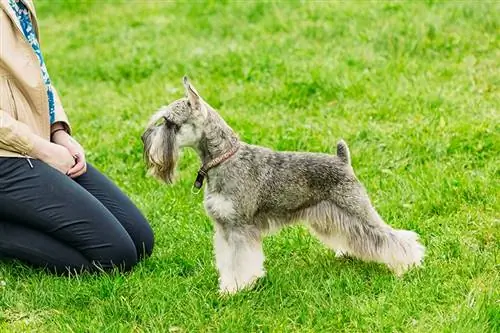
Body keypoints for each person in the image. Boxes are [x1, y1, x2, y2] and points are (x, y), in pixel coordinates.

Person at [0, 0, 154, 273]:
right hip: (7, 155)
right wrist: (41, 149)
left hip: (32, 139)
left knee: (140, 239)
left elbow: (36, 69)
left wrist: (57, 131)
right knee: (114, 255)